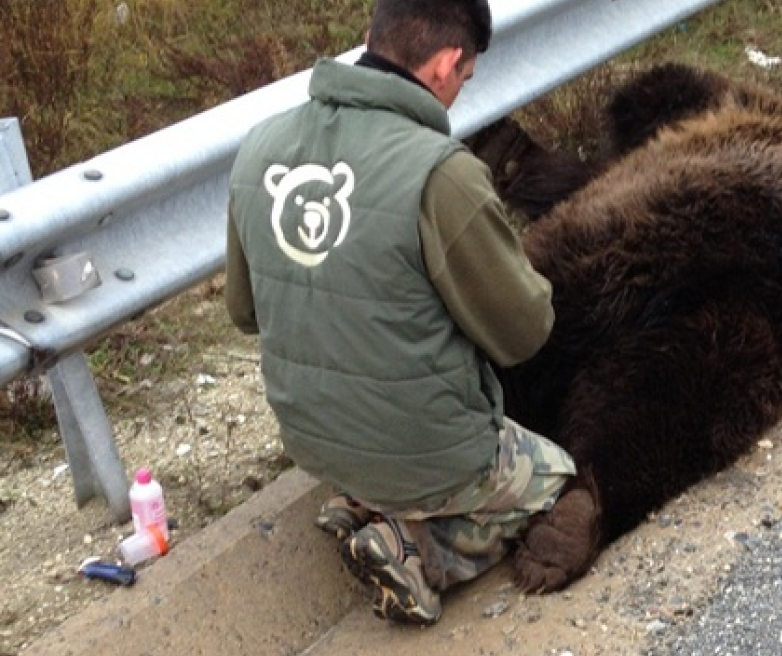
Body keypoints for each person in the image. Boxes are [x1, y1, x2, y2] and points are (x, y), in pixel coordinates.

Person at [223, 0, 575, 626]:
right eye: (464, 80)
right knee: (559, 481)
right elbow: (524, 333)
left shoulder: (260, 150)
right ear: (445, 65)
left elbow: (244, 312)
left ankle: (364, 504)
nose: (459, 95)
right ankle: (418, 548)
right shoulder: (442, 174)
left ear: (373, 38)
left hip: (311, 443)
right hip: (429, 455)